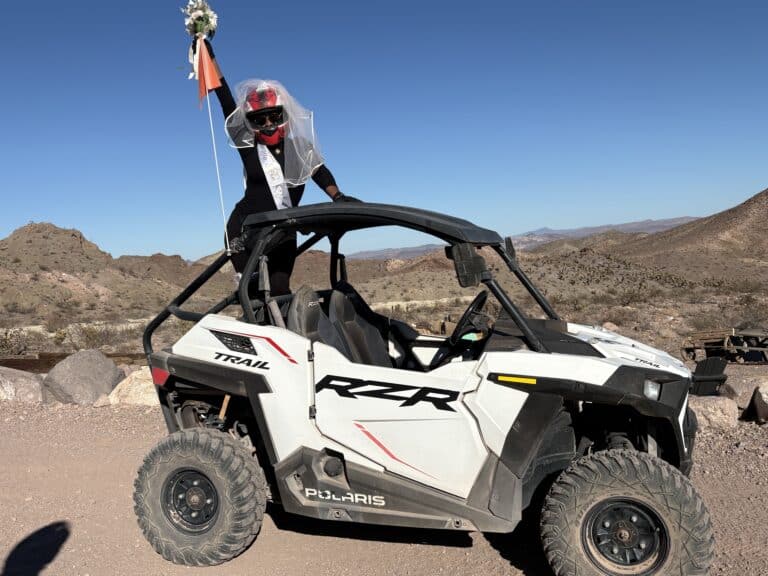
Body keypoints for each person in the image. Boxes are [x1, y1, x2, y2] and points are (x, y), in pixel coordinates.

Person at [199, 39, 359, 295]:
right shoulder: (249, 146)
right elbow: (225, 99)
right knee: (249, 292)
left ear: (285, 114)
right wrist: (209, 51)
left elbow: (319, 171)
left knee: (281, 289)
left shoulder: (300, 148)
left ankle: (282, 332)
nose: (269, 123)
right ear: (250, 121)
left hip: (284, 228)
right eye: (260, 118)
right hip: (245, 227)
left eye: (274, 115)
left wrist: (337, 196)